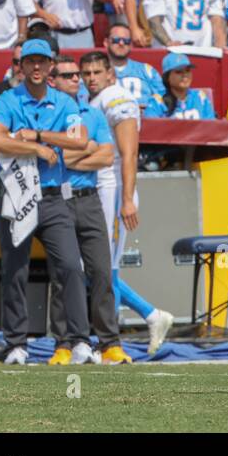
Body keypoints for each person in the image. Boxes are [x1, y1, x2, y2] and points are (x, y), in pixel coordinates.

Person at [0, 38, 91, 366]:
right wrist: (36, 149)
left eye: (41, 61)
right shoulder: (7, 99)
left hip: (53, 196)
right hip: (17, 197)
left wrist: (38, 136)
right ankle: (15, 343)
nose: (35, 67)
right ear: (21, 65)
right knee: (15, 270)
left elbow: (82, 140)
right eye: (29, 61)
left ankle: (79, 341)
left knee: (72, 266)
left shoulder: (63, 101)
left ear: (50, 66)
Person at [79, 50, 175, 354]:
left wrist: (127, 198)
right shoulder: (94, 101)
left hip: (115, 189)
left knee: (105, 266)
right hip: (99, 188)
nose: (92, 78)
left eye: (97, 72)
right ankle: (149, 315)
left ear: (111, 73)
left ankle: (109, 340)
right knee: (96, 266)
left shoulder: (116, 97)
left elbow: (129, 152)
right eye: (87, 73)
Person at [44, 52, 128, 365]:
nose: (76, 80)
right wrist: (85, 149)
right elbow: (52, 158)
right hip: (58, 198)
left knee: (102, 271)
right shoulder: (47, 115)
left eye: (77, 74)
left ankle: (109, 343)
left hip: (89, 197)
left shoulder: (91, 113)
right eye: (68, 76)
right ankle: (64, 343)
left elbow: (107, 156)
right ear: (53, 80)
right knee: (64, 273)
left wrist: (73, 154)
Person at [147, 52, 216, 119]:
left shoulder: (200, 97)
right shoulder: (157, 101)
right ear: (167, 77)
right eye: (178, 72)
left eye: (188, 70)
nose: (185, 75)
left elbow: (211, 127)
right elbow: (151, 128)